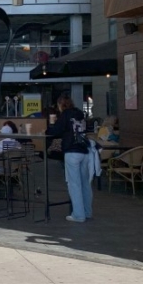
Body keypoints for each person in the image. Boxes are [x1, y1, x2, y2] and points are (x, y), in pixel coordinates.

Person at [46, 95, 92, 223]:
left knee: (74, 184)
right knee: (85, 184)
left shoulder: (65, 115)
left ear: (61, 104)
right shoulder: (80, 113)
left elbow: (55, 131)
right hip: (84, 150)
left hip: (71, 151)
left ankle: (78, 215)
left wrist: (50, 125)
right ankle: (87, 212)